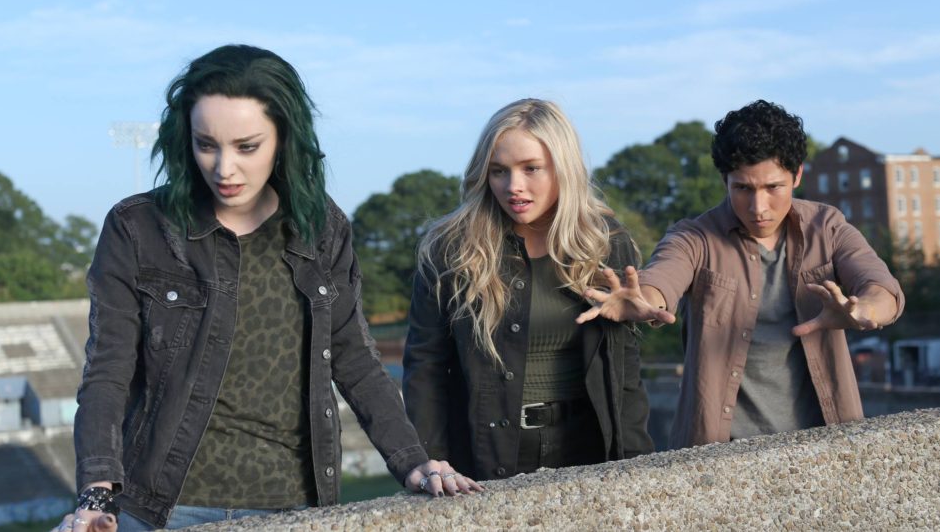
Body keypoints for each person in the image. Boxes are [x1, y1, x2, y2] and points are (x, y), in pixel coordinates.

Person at [54, 44, 480, 532]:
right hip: (162, 509)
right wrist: (98, 494)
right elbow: (108, 369)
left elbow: (356, 360)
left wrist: (413, 460)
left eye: (247, 146)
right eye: (206, 144)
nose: (224, 168)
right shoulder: (137, 228)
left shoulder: (323, 229)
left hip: (295, 505)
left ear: (284, 140)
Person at [577, 100, 905, 449]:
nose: (758, 208)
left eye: (773, 188)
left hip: (822, 446)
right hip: (720, 453)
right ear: (725, 180)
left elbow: (882, 289)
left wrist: (862, 311)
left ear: (797, 176)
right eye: (743, 189)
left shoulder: (828, 228)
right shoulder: (695, 238)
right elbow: (663, 277)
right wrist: (641, 299)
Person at [403, 98, 654, 481]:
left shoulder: (605, 244)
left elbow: (623, 369)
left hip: (590, 449)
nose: (513, 186)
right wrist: (432, 461)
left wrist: (638, 462)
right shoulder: (450, 249)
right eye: (499, 171)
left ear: (563, 168)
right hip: (488, 454)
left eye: (531, 168)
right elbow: (425, 366)